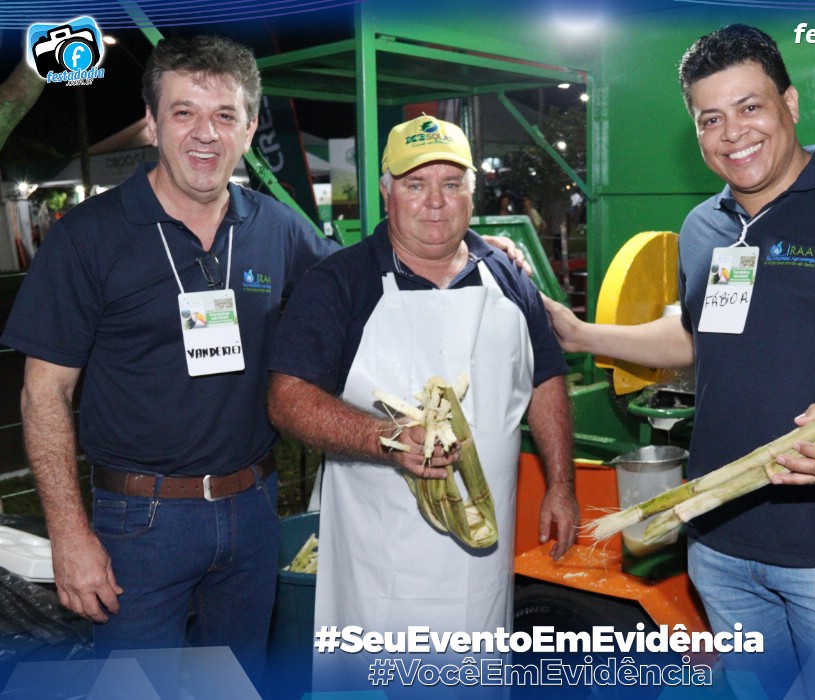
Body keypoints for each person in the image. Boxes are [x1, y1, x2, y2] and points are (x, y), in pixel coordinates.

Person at [542, 24, 815, 700]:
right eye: (710, 118)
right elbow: (696, 339)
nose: (732, 133)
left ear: (791, 103)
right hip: (718, 544)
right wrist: (580, 334)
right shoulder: (705, 227)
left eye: (750, 106)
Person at [0, 35, 343, 683]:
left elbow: (353, 287)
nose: (205, 133)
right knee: (135, 687)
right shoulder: (89, 236)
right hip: (141, 522)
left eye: (225, 115)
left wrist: (470, 252)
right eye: (184, 112)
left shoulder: (276, 227)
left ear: (248, 130)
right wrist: (69, 536)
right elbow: (42, 394)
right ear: (153, 124)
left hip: (253, 507)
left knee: (235, 686)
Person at [266, 115, 578, 688]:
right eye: (416, 184)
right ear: (386, 193)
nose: (435, 202)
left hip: (483, 567)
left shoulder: (509, 279)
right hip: (377, 567)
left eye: (451, 184)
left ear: (472, 194)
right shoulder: (340, 282)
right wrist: (386, 439)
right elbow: (288, 400)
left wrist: (561, 483)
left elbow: (545, 380)